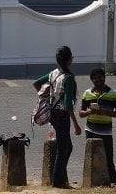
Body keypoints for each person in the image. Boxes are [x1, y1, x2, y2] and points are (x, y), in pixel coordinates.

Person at [33, 45, 81, 188]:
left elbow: (36, 84)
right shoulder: (69, 78)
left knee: (66, 146)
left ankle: (59, 177)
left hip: (52, 114)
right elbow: (68, 104)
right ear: (69, 60)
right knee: (64, 148)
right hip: (62, 116)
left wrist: (46, 99)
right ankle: (57, 181)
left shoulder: (53, 73)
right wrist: (76, 125)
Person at [79, 67, 116, 185]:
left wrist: (104, 112)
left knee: (108, 157)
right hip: (90, 130)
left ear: (104, 77)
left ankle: (112, 182)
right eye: (95, 78)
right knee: (91, 156)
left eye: (100, 77)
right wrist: (89, 112)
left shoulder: (113, 94)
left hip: (106, 131)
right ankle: (91, 182)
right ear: (91, 80)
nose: (98, 80)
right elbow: (81, 113)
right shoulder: (87, 94)